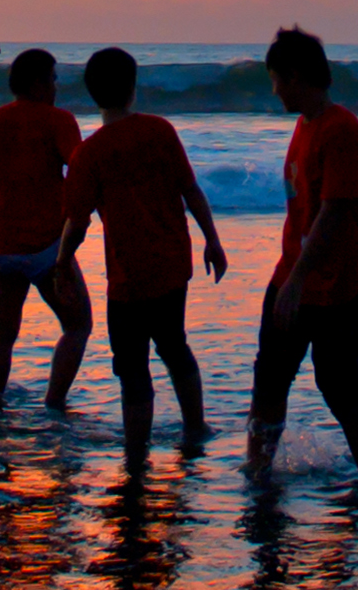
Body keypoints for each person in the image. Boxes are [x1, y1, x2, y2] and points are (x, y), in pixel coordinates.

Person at [56, 43, 231, 462]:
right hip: (172, 266)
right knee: (175, 346)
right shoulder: (159, 131)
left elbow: (76, 223)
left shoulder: (88, 154)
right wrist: (213, 239)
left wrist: (62, 263)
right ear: (133, 87)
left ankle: (136, 456)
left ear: (92, 93)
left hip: (128, 277)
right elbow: (191, 190)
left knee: (132, 366)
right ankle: (195, 426)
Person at [246, 26, 358, 481]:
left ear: (296, 75)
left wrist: (297, 282)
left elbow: (335, 212)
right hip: (293, 274)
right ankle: (258, 476)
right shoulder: (306, 127)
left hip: (335, 283)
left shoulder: (339, 129)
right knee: (268, 381)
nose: (274, 90)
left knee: (340, 385)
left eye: (277, 79)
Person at [0, 48, 91, 415]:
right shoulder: (58, 121)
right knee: (77, 326)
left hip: (1, 247)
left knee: (2, 336)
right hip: (47, 247)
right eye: (53, 78)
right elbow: (82, 172)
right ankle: (54, 405)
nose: (57, 86)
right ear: (38, 83)